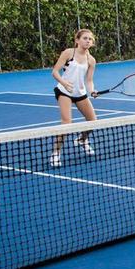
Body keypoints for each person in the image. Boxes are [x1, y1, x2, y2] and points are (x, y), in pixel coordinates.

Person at [50, 28, 99, 167]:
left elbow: (89, 80)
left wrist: (92, 90)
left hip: (80, 93)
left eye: (90, 39)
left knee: (93, 121)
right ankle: (56, 153)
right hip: (64, 91)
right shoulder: (68, 53)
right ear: (77, 40)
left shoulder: (91, 60)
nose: (88, 41)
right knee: (67, 123)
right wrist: (64, 82)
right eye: (85, 38)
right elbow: (54, 72)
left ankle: (82, 140)